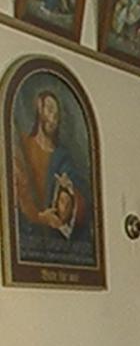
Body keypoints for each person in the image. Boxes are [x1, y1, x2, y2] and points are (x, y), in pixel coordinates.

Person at [12, 89, 87, 243]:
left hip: (54, 238)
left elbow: (82, 198)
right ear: (39, 110)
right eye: (50, 110)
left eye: (57, 115)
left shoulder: (63, 157)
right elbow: (18, 192)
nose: (54, 118)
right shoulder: (23, 147)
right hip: (31, 236)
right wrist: (39, 217)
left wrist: (70, 189)